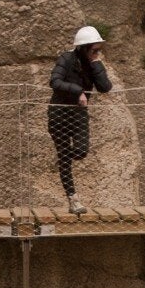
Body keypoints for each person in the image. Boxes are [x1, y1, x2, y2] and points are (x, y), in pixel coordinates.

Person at [48, 26, 112, 214]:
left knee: (81, 150)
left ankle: (64, 155)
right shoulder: (66, 59)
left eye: (98, 50)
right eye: (94, 50)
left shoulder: (92, 63)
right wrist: (78, 91)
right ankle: (73, 199)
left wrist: (96, 64)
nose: (97, 53)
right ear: (83, 47)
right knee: (65, 159)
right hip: (59, 114)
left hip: (78, 114)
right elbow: (54, 82)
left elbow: (105, 87)